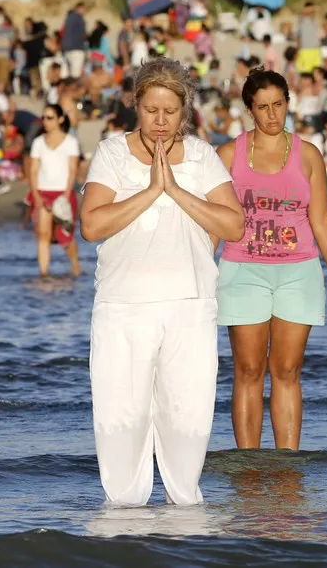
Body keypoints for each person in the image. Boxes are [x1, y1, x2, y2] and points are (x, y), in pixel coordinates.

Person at [79, 57, 245, 506]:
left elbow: (234, 225)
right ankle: (123, 523)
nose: (160, 120)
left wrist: (175, 189)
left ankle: (185, 525)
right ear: (136, 105)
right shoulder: (112, 153)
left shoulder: (202, 156)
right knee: (121, 423)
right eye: (151, 110)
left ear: (184, 110)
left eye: (170, 111)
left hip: (191, 306)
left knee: (187, 423)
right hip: (122, 306)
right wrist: (152, 190)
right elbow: (91, 225)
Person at [215, 68, 327, 451]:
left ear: (288, 104)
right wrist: (196, 274)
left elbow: (321, 220)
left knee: (287, 370)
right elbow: (214, 224)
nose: (272, 114)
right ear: (249, 110)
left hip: (299, 272)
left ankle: (287, 466)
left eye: (279, 104)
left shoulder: (308, 155)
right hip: (242, 270)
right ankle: (248, 466)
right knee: (248, 370)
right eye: (263, 107)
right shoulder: (227, 155)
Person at [29, 104, 81, 277]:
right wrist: (36, 195)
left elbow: (73, 170)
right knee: (43, 235)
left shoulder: (70, 142)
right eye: (43, 118)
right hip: (43, 192)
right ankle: (43, 274)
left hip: (62, 193)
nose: (46, 121)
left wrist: (65, 195)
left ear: (60, 119)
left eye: (50, 117)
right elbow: (33, 170)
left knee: (64, 236)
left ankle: (75, 266)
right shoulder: (38, 142)